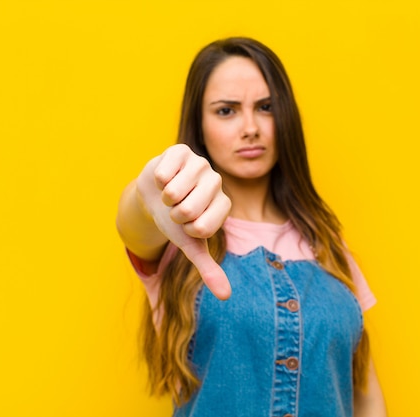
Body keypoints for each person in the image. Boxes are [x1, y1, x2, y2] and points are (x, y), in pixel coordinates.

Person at [116, 37, 387, 417]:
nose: (250, 128)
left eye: (266, 107)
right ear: (200, 124)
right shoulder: (176, 232)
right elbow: (135, 221)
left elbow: (365, 392)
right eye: (226, 111)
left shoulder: (325, 241)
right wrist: (149, 193)